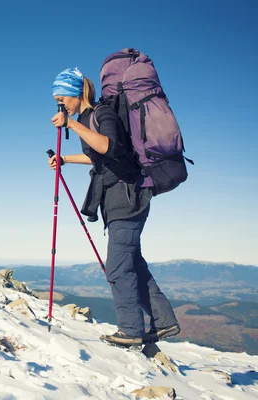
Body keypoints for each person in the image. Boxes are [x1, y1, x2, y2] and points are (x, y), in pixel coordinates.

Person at [48, 67, 180, 347]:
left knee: (118, 268)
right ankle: (164, 320)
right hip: (118, 197)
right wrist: (66, 159)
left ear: (74, 93)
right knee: (133, 264)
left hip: (128, 196)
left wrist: (70, 125)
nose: (59, 104)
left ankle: (131, 330)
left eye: (61, 98)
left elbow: (109, 146)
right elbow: (99, 156)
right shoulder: (87, 118)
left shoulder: (101, 114)